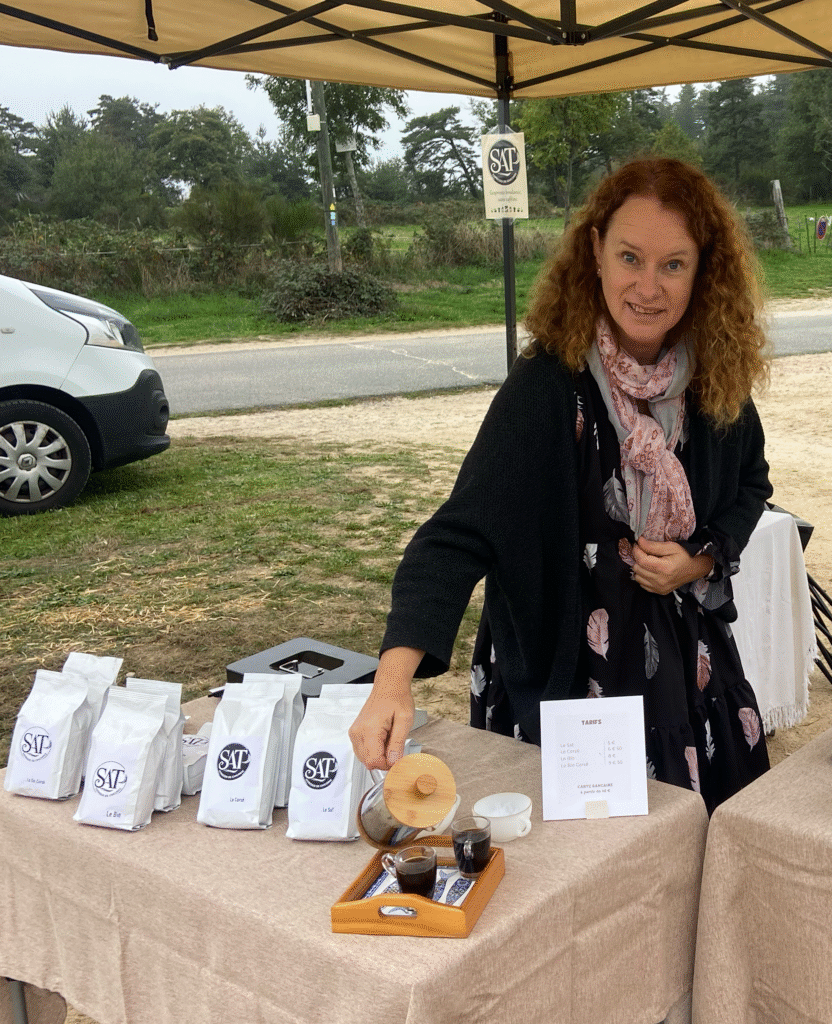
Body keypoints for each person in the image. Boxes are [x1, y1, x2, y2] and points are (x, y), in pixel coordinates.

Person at [349, 158, 772, 813]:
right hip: (566, 674)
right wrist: (391, 681)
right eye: (630, 257)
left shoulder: (715, 380)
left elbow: (751, 484)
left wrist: (701, 559)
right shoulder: (547, 387)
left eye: (673, 264)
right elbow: (459, 535)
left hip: (687, 671)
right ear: (596, 251)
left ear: (703, 270)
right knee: (582, 855)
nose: (648, 287)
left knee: (695, 834)